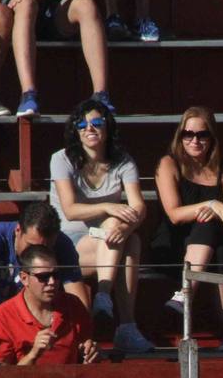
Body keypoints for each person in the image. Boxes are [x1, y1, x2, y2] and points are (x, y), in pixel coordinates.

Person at [50, 98, 153, 353]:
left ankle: (107, 300)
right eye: (82, 124)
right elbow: (70, 210)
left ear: (107, 127)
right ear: (75, 129)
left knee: (131, 238)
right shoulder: (62, 159)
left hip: (105, 240)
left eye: (96, 122)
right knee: (119, 229)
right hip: (69, 242)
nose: (90, 129)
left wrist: (124, 228)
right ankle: (125, 324)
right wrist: (108, 207)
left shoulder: (123, 161)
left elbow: (139, 206)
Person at [151, 106, 223, 350]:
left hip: (214, 242)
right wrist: (211, 204)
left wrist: (217, 212)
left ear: (212, 137)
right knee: (213, 232)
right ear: (180, 136)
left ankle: (185, 294)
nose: (195, 140)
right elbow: (174, 215)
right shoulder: (168, 163)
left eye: (202, 135)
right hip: (174, 243)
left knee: (215, 235)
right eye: (188, 134)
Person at [0, 201, 86, 366]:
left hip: (24, 303)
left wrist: (83, 341)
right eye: (31, 245)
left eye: (46, 248)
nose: (36, 253)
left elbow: (78, 299)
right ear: (18, 230)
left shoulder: (63, 245)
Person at [0, 244, 98, 365]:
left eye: (56, 275)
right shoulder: (1, 318)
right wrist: (33, 354)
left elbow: (86, 346)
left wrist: (91, 352)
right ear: (24, 278)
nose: (52, 282)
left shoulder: (73, 304)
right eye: (43, 277)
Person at [10, 0, 111, 118]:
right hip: (20, 10)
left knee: (86, 3)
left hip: (59, 10)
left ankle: (101, 95)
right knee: (25, 5)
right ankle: (28, 95)